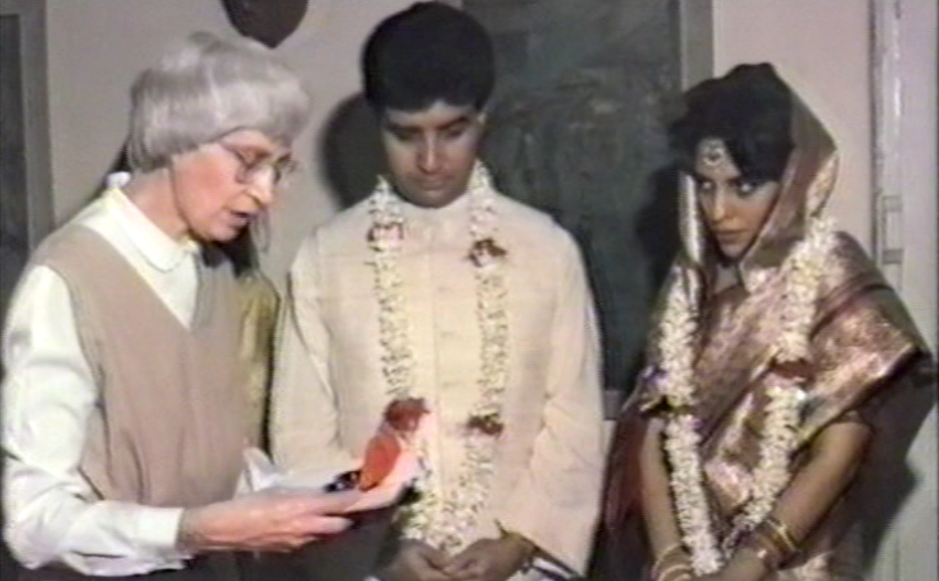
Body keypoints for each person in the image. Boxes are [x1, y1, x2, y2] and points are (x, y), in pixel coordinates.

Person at [1, 31, 363, 581]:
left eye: (279, 167)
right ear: (177, 139)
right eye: (248, 160)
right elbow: (33, 523)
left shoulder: (211, 266)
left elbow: (209, 459)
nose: (265, 192)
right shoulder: (68, 278)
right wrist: (196, 530)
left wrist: (325, 495)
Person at [270, 3, 606, 581]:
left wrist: (520, 542)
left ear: (485, 118)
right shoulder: (327, 258)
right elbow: (300, 438)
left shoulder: (546, 251)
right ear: (378, 124)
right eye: (406, 136)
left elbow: (574, 419)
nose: (430, 162)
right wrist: (381, 553)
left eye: (453, 132)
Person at [603, 63, 934, 581]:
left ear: (793, 179)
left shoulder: (830, 272)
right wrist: (670, 562)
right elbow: (650, 431)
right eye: (706, 186)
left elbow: (841, 447)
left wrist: (747, 566)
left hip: (795, 561)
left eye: (743, 187)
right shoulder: (690, 284)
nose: (719, 211)